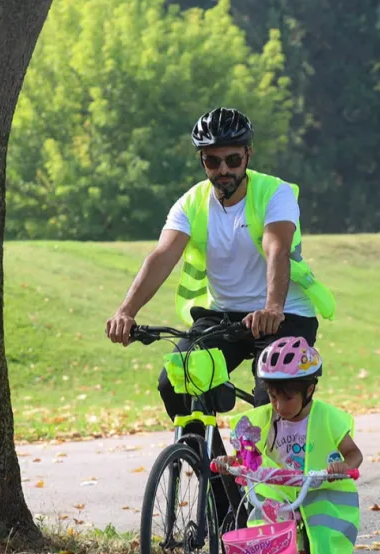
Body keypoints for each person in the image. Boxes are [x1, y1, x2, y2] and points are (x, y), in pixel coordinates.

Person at [105, 107, 337, 528]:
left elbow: (276, 249)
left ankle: (281, 508)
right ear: (203, 161)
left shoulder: (276, 193)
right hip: (223, 316)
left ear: (248, 155)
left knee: (276, 402)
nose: (223, 169)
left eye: (233, 159)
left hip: (285, 315)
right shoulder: (191, 203)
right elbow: (161, 256)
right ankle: (227, 502)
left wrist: (272, 307)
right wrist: (126, 312)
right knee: (175, 383)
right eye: (213, 161)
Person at [233, 336, 363, 554]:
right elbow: (244, 450)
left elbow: (354, 454)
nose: (278, 405)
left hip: (321, 495)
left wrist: (344, 466)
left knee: (319, 544)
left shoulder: (327, 418)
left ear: (309, 389)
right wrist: (233, 460)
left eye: (287, 397)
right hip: (280, 496)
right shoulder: (263, 420)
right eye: (272, 396)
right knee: (269, 545)